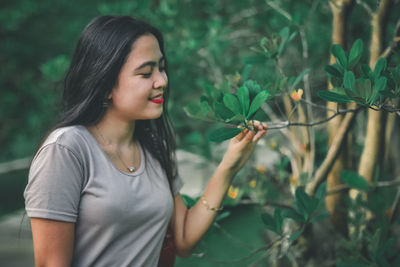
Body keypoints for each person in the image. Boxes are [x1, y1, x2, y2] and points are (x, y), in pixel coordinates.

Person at [24, 15, 267, 267]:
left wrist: (229, 166)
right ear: (105, 84)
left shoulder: (154, 147)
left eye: (161, 68)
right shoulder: (66, 151)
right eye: (145, 73)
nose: (162, 81)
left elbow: (183, 238)